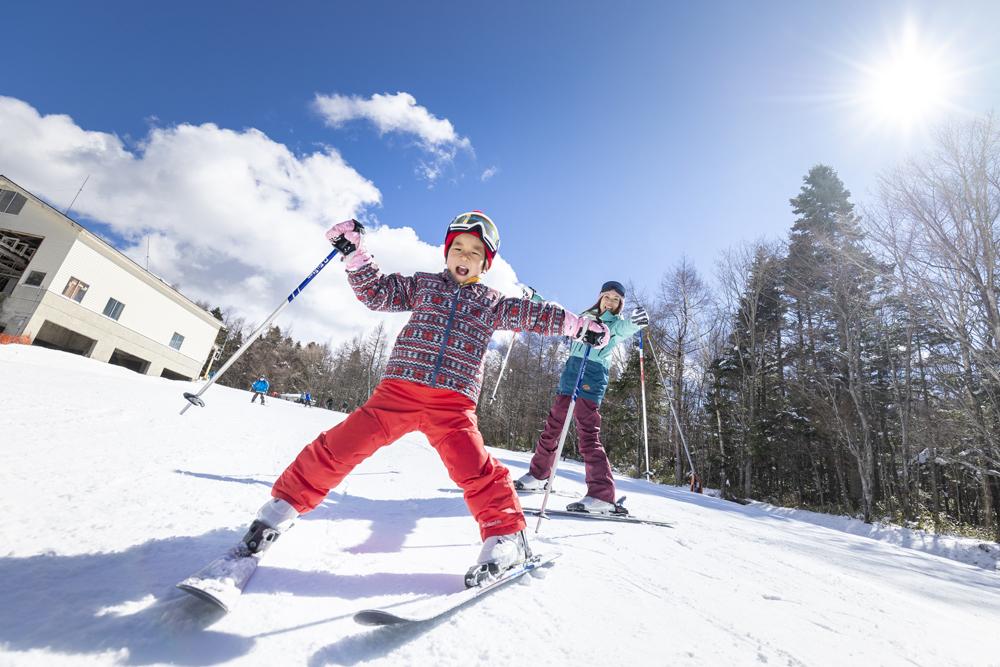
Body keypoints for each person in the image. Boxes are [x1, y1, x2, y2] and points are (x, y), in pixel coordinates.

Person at [240, 212, 610, 579]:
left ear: (485, 263)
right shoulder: (424, 285)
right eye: (458, 248)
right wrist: (354, 254)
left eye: (474, 253)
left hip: (452, 405)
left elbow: (535, 315)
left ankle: (505, 535)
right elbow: (377, 292)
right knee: (337, 448)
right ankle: (282, 507)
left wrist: (580, 326)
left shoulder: (493, 303)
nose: (464, 257)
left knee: (477, 470)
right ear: (446, 252)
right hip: (396, 393)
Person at [515, 281, 649, 515]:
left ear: (620, 305)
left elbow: (626, 327)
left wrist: (635, 322)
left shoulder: (615, 325)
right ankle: (539, 475)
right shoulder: (585, 317)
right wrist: (535, 299)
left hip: (592, 374)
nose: (610, 301)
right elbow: (558, 315)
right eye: (607, 296)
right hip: (570, 373)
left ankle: (602, 495)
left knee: (587, 433)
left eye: (616, 299)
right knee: (552, 427)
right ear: (599, 297)